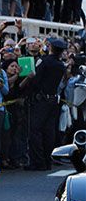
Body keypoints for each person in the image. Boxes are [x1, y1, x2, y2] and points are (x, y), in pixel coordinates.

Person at [24, 38, 66, 170]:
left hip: (41, 100)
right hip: (53, 100)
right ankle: (47, 161)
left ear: (51, 48)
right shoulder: (60, 65)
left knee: (35, 131)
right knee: (49, 132)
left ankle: (38, 162)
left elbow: (36, 80)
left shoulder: (44, 61)